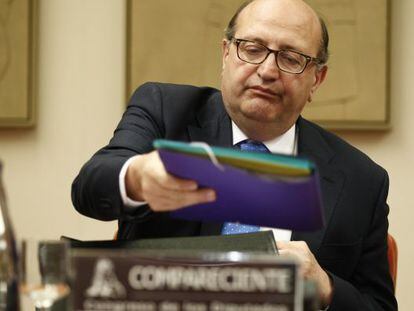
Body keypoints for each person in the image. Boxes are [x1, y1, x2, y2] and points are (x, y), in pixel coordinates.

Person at [72, 0, 397, 309]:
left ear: (317, 79)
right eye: (252, 49)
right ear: (226, 53)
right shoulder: (164, 111)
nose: (268, 71)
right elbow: (90, 189)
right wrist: (138, 176)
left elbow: (378, 305)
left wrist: (324, 285)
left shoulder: (361, 180)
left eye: (291, 58)